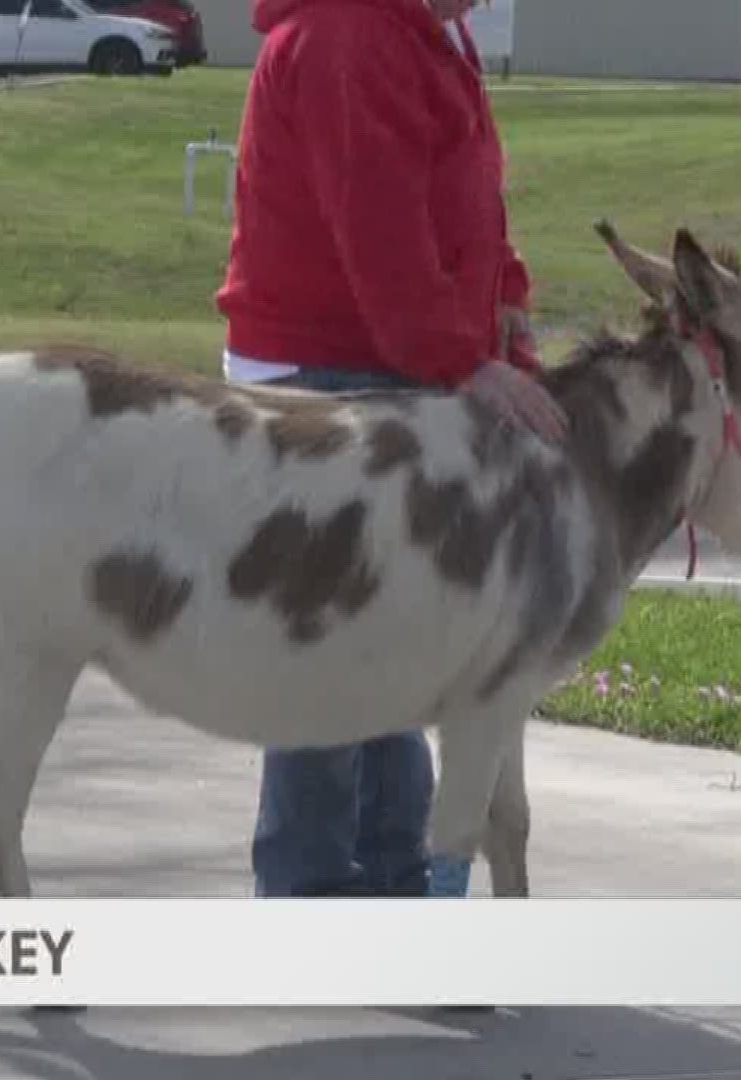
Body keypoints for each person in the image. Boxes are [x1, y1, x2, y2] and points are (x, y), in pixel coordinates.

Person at [214, 0, 566, 901]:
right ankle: (315, 893)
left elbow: (462, 195)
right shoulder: (349, 34)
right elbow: (381, 236)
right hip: (319, 373)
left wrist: (505, 306)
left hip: (384, 360)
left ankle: (391, 883)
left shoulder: (429, 27)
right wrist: (468, 365)